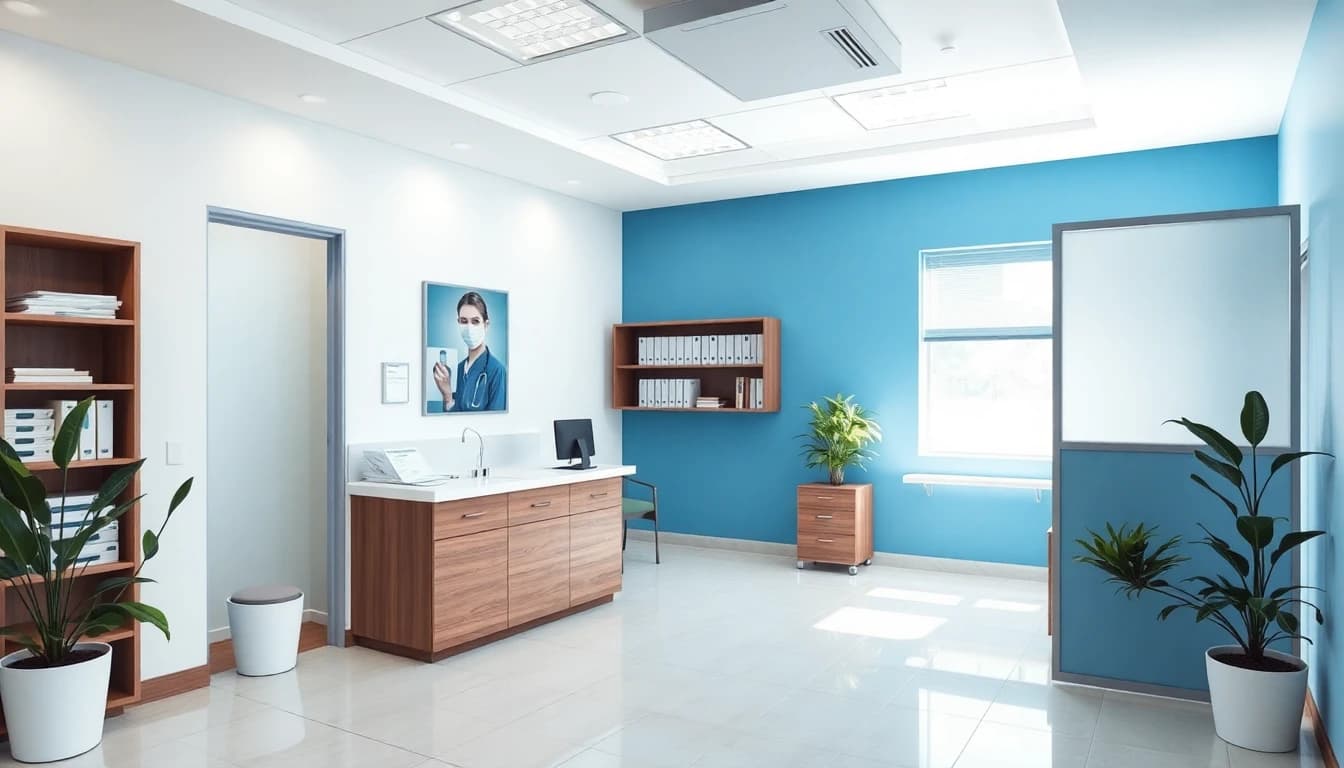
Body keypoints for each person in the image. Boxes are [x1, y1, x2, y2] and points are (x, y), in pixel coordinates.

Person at [434, 291, 506, 412]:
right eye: (463, 321)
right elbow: (450, 420)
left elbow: (497, 422)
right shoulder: (459, 369)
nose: (469, 327)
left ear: (486, 325)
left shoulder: (496, 370)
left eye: (475, 321)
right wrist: (447, 396)